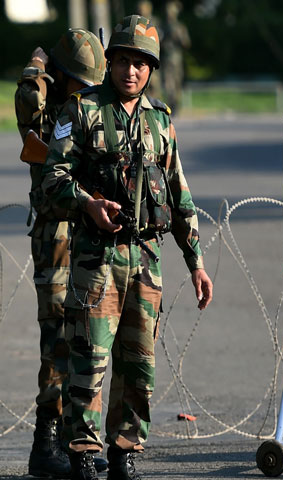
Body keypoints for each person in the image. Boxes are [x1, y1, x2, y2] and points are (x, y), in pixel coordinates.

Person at [41, 14, 213, 480]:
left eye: (140, 63)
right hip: (97, 260)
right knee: (90, 363)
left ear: (150, 69)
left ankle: (124, 451)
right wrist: (86, 205)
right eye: (122, 61)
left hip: (146, 262)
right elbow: (51, 181)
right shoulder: (80, 111)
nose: (130, 71)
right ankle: (82, 453)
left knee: (139, 367)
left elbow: (179, 195)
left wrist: (196, 262)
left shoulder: (160, 122)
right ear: (110, 62)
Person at [15, 28, 109, 478]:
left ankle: (77, 442)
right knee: (57, 340)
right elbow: (27, 91)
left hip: (89, 235)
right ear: (61, 77)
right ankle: (44, 442)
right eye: (81, 83)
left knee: (85, 338)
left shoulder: (90, 111)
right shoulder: (43, 113)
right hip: (55, 238)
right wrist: (41, 64)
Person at [161, 1, 190, 114]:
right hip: (166, 59)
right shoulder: (163, 26)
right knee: (168, 83)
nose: (169, 15)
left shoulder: (180, 27)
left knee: (177, 82)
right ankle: (170, 105)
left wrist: (178, 36)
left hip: (176, 59)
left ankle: (176, 104)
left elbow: (186, 43)